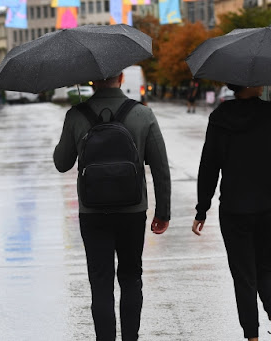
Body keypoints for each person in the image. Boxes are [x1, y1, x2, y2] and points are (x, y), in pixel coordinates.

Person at [53, 72, 171, 341]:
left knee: (100, 283)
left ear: (92, 80)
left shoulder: (76, 115)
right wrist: (162, 212)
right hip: (132, 211)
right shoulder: (142, 115)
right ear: (121, 76)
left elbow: (62, 163)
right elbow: (161, 168)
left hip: (92, 212)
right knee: (131, 278)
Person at [191, 84, 271, 341]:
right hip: (270, 205)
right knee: (266, 267)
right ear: (249, 84)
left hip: (235, 209)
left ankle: (252, 336)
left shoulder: (219, 117)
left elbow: (209, 166)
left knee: (244, 276)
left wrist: (202, 209)